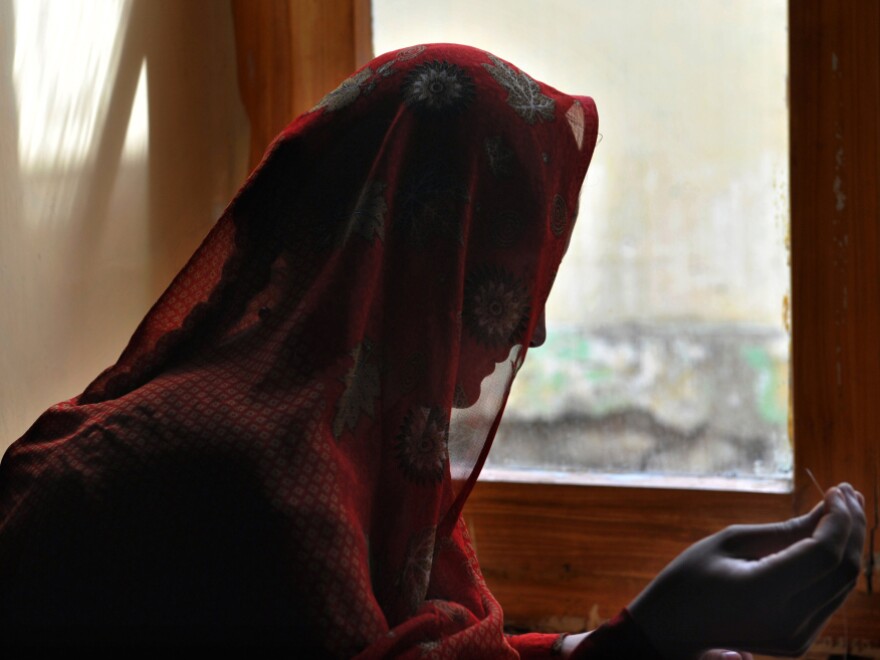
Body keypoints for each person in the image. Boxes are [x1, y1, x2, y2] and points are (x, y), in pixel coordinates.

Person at [0, 44, 865, 657]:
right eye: (498, 281)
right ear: (408, 259)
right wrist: (638, 644)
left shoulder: (322, 435)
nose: (531, 331)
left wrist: (620, 644)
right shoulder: (260, 485)